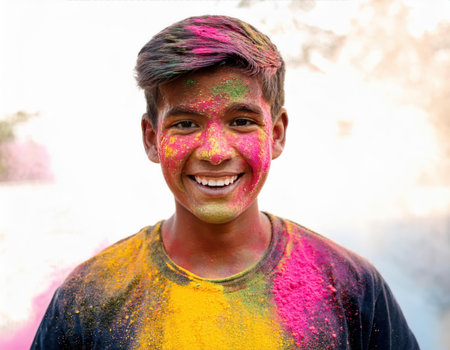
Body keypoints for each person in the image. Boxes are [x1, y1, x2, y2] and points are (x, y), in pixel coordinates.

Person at [31, 15, 420, 349]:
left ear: (277, 134)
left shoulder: (349, 287)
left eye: (241, 121)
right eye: (185, 124)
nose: (215, 152)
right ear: (152, 139)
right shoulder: (91, 298)